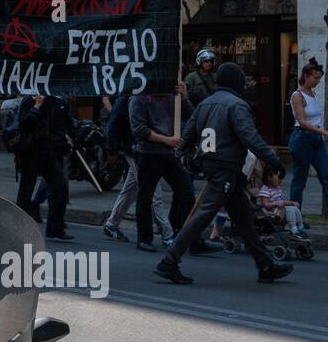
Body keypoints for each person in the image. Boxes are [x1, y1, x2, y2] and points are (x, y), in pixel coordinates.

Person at [156, 62, 293, 285]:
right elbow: (250, 137)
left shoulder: (205, 104)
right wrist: (273, 160)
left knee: (244, 217)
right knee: (204, 214)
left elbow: (188, 133)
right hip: (225, 168)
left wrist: (179, 153)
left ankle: (265, 265)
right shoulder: (237, 105)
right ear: (237, 81)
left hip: (215, 166)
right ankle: (169, 261)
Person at [130, 85, 205, 253]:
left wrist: (184, 97)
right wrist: (166, 140)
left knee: (186, 193)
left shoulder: (172, 94)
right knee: (145, 196)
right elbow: (139, 129)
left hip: (170, 154)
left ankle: (192, 239)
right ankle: (144, 238)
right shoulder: (139, 96)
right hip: (149, 153)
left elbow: (192, 117)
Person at [100, 92, 172, 243]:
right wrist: (112, 150)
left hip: (144, 150)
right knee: (154, 191)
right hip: (135, 150)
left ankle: (111, 224)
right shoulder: (128, 96)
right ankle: (168, 234)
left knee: (131, 189)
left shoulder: (147, 95)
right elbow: (113, 123)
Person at [288, 59, 328, 229]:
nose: (317, 81)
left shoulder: (312, 94)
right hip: (301, 138)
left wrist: (323, 134)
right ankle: (295, 219)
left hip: (315, 139)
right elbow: (302, 122)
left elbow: (314, 120)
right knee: (299, 180)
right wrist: (326, 133)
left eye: (319, 78)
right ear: (305, 76)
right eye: (314, 78)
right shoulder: (297, 95)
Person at [15, 94, 74, 241]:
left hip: (48, 151)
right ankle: (17, 228)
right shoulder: (30, 99)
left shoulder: (57, 101)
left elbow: (64, 122)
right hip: (31, 151)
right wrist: (37, 106)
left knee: (60, 187)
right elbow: (24, 123)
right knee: (26, 191)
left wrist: (73, 137)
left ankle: (55, 228)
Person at [258, 165, 307, 238]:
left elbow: (282, 202)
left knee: (294, 208)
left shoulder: (277, 189)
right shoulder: (265, 190)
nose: (281, 180)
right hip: (272, 213)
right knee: (289, 209)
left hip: (279, 210)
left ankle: (300, 226)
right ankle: (294, 229)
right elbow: (265, 204)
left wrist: (292, 203)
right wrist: (276, 203)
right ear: (269, 177)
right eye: (279, 177)